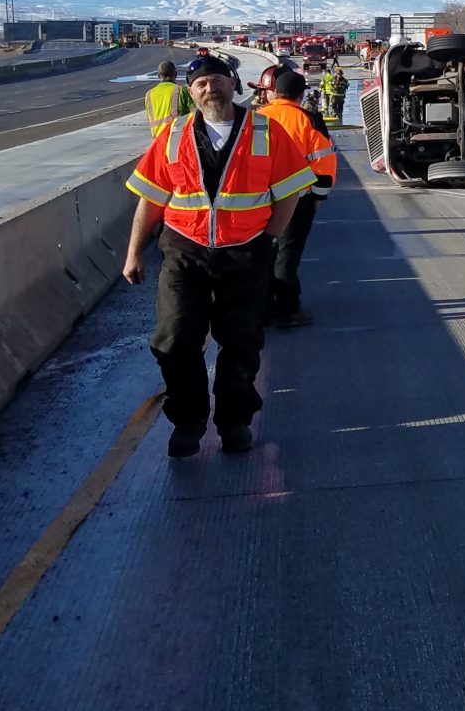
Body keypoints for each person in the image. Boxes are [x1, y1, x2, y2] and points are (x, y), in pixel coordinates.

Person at [120, 53, 318, 458]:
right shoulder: (172, 135)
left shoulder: (266, 130)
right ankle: (188, 423)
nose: (210, 88)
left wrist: (269, 238)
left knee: (241, 342)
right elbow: (150, 200)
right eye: (200, 83)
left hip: (245, 253)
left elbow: (291, 190)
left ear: (234, 84)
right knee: (174, 340)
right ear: (190, 92)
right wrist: (133, 254)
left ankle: (234, 422)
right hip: (184, 252)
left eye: (217, 80)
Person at [257, 68, 335, 330]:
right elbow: (324, 162)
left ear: (274, 92)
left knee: (262, 252)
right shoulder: (308, 119)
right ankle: (287, 310)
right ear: (301, 95)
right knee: (287, 254)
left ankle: (263, 308)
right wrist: (318, 197)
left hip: (256, 200)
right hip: (297, 199)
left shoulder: (255, 118)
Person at [142, 60, 192, 130]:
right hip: (176, 137)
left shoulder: (149, 95)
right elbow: (195, 116)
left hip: (158, 138)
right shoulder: (181, 91)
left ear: (158, 76)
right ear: (175, 74)